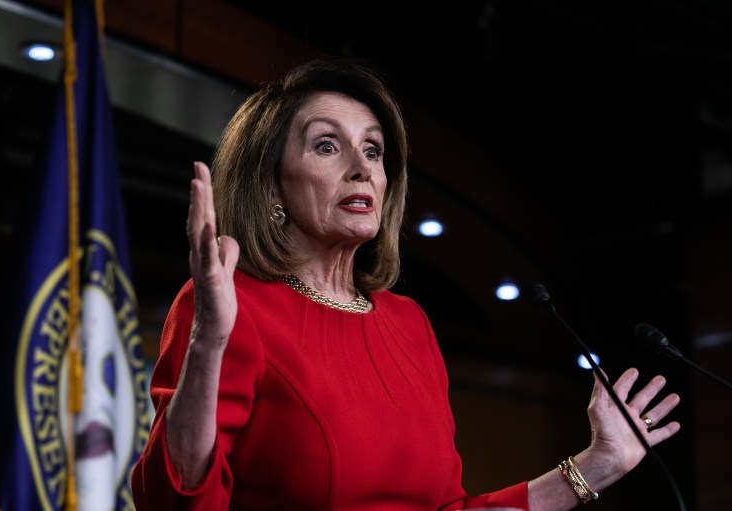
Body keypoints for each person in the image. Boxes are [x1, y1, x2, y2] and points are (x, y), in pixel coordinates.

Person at [130, 57, 681, 510]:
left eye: (372, 149)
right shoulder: (234, 307)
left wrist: (596, 465)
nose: (362, 168)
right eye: (327, 145)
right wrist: (208, 344)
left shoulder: (408, 323)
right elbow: (175, 499)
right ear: (270, 184)